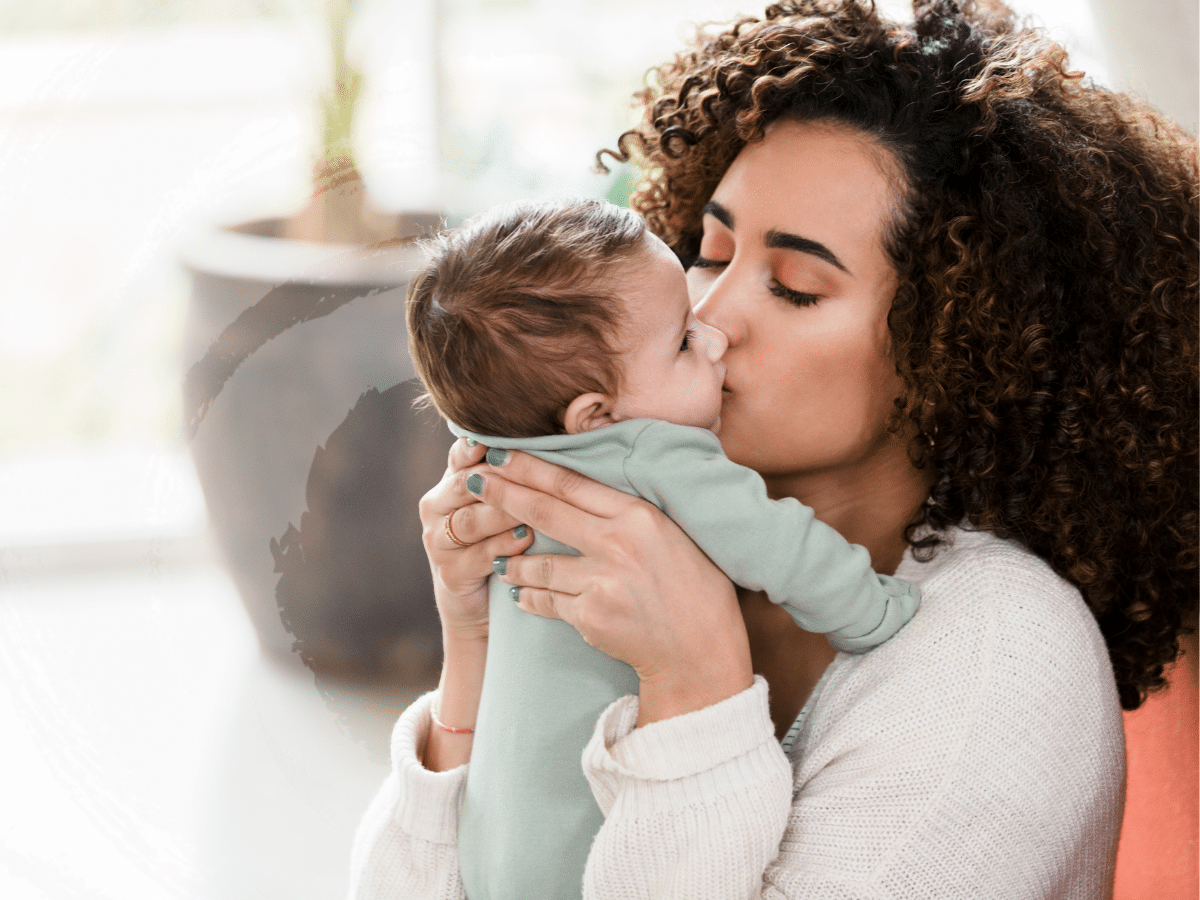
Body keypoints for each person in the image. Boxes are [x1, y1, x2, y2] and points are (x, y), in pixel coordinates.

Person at [348, 1, 1198, 897]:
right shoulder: (641, 549)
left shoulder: (995, 658)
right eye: (709, 253)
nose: (708, 320)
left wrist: (698, 684)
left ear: (959, 335)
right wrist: (475, 646)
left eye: (793, 287)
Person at [403, 197, 921, 900]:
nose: (711, 335)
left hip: (488, 841)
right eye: (681, 341)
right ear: (596, 415)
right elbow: (779, 546)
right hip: (598, 838)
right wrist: (872, 610)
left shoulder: (483, 468)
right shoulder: (654, 452)